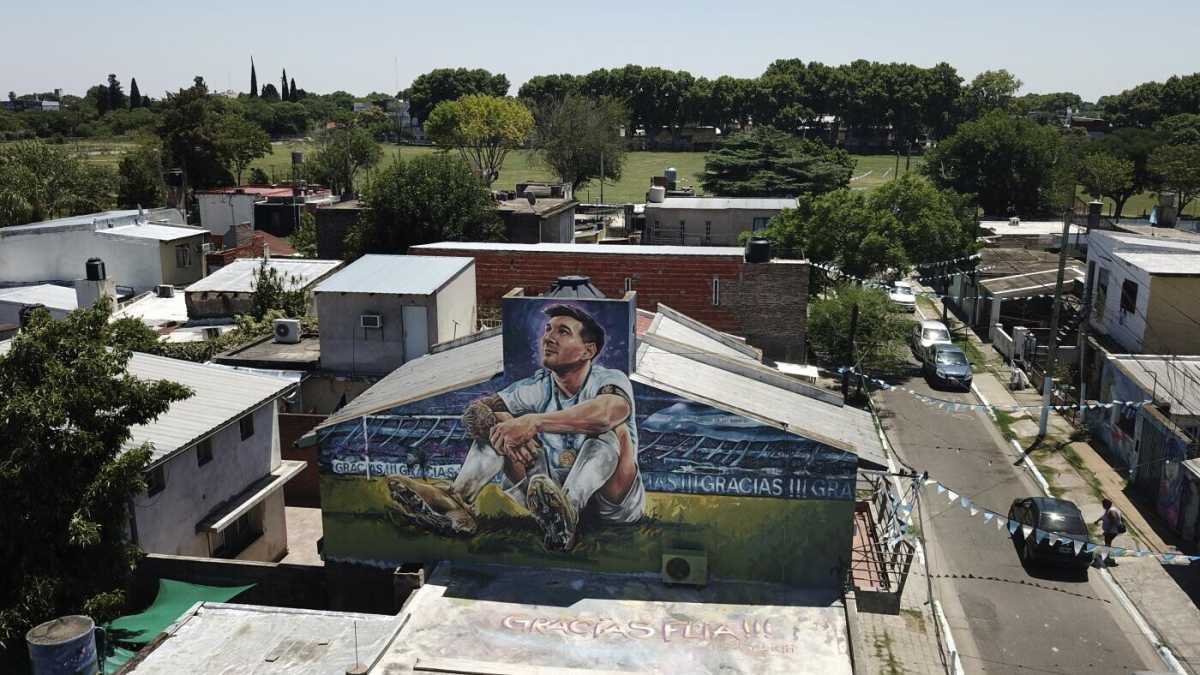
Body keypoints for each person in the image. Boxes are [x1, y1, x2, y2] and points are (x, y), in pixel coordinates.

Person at [386, 303, 643, 551]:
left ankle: (569, 511)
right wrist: (507, 426)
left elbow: (608, 412)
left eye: (562, 332)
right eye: (547, 329)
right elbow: (476, 412)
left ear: (588, 351)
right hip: (544, 495)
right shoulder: (538, 386)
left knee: (611, 431)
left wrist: (533, 422)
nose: (548, 338)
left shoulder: (608, 378)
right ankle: (456, 501)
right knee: (498, 425)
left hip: (613, 504)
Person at [1096, 498, 1124, 565]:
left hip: (1111, 532)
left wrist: (1107, 531)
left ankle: (1106, 558)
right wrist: (1098, 520)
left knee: (1107, 544)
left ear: (1106, 505)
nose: (1103, 506)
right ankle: (1106, 556)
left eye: (1103, 505)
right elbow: (1104, 516)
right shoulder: (1112, 509)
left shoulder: (1110, 512)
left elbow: (1112, 521)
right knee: (1107, 543)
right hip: (1113, 531)